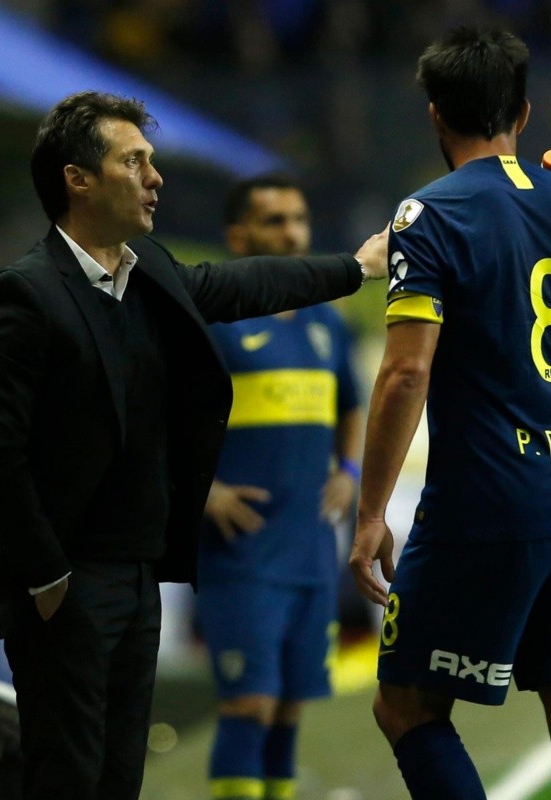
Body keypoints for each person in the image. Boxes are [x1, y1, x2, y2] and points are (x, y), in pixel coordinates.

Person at [0, 89, 389, 800]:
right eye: (135, 162)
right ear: (78, 178)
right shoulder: (24, 295)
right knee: (66, 774)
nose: (156, 178)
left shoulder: (149, 271)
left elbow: (240, 284)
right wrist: (46, 577)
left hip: (137, 575)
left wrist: (356, 268)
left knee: (122, 772)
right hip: (63, 582)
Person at [348, 26, 551, 800]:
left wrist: (371, 514)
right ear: (524, 113)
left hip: (487, 497)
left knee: (405, 704)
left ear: (435, 115)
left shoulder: (429, 214)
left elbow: (406, 372)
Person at [195, 174, 363, 800]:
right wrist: (203, 490)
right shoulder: (211, 317)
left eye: (298, 218)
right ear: (237, 236)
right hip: (241, 554)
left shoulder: (327, 322)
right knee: (251, 703)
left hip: (311, 550)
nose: (292, 232)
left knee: (291, 706)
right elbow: (158, 420)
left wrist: (348, 472)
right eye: (274, 221)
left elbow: (352, 405)